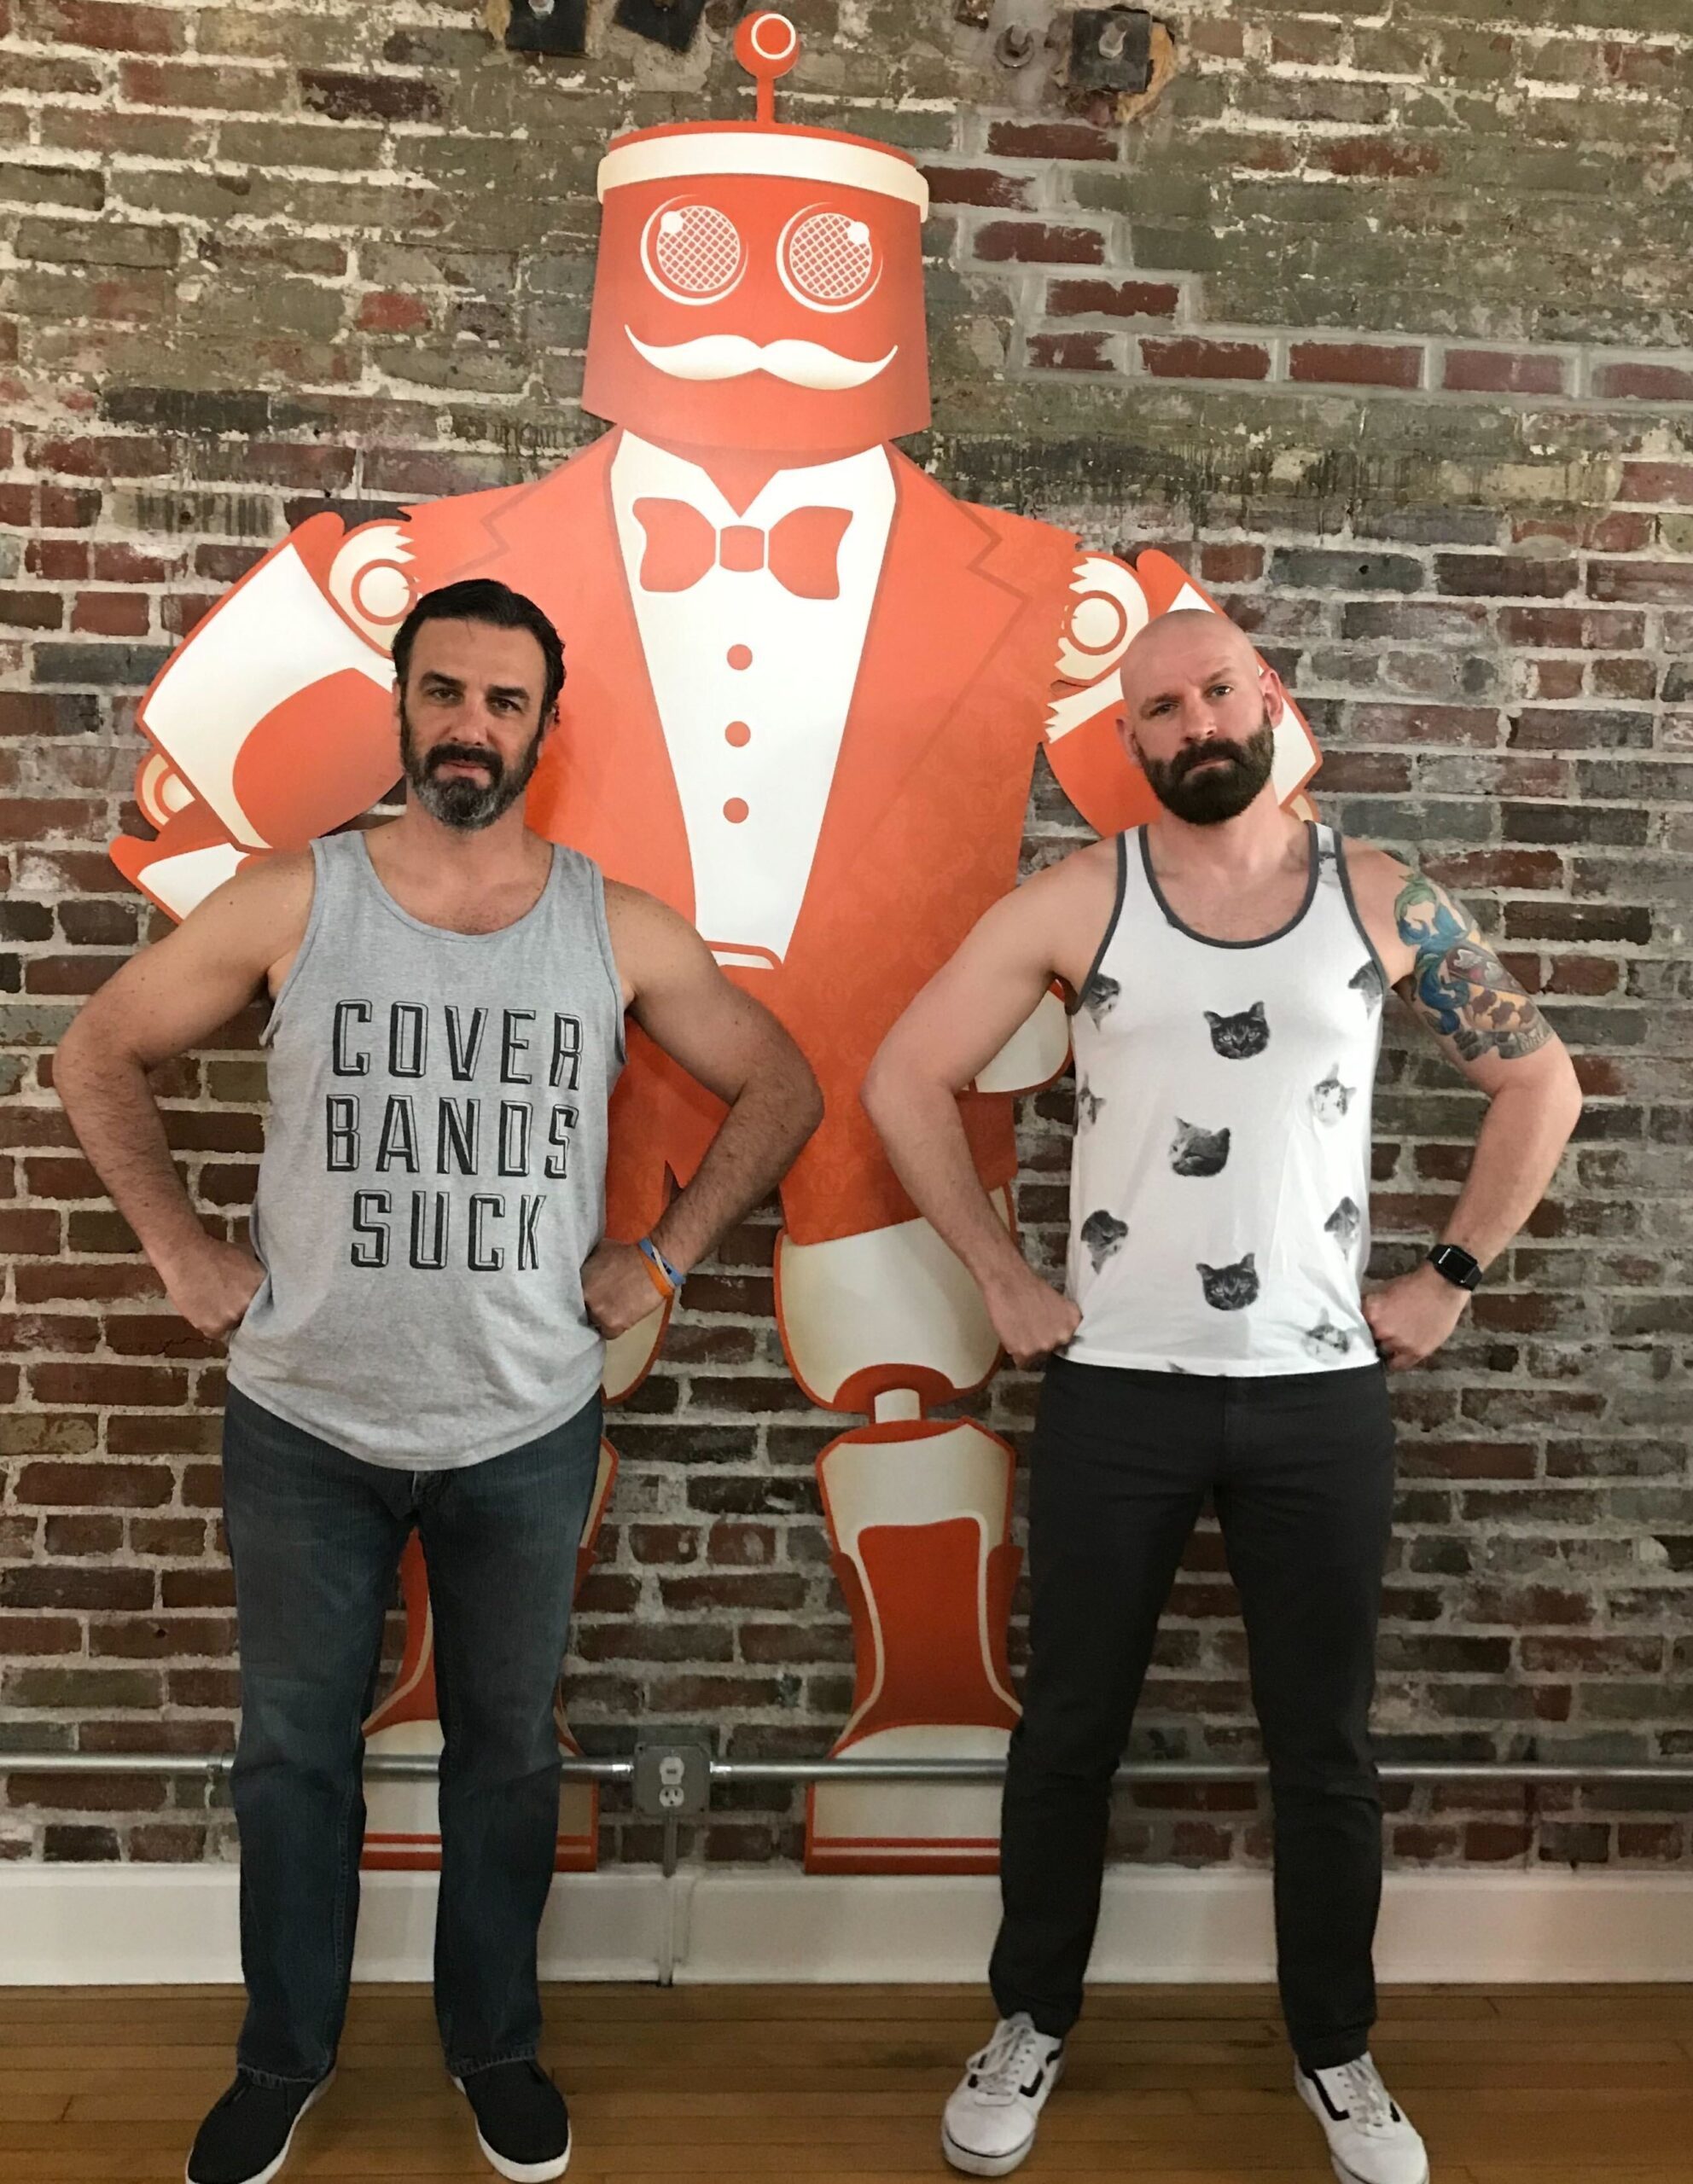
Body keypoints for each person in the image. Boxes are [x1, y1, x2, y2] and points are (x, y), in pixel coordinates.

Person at [55, 578, 822, 2184]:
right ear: (402, 706)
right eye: (445, 692)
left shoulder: (613, 924)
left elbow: (781, 1081)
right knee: (293, 1757)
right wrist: (185, 1254)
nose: (471, 724)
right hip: (305, 1423)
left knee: (509, 1756)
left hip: (523, 1425)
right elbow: (95, 1050)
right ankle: (282, 2058)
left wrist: (662, 1258)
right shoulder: (297, 897)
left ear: (545, 728)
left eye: (504, 701)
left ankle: (494, 2047)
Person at [862, 608, 1584, 2184]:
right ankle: (1028, 2020)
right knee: (1070, 1730)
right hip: (1117, 1391)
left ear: (1267, 701)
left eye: (1214, 693)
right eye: (1159, 710)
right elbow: (903, 1075)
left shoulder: (1380, 895)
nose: (1193, 724)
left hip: (1319, 1396)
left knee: (1322, 1745)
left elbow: (1542, 1079)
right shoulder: (1083, 896)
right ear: (1129, 741)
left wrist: (1447, 1278)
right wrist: (998, 1276)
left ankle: (1337, 2048)